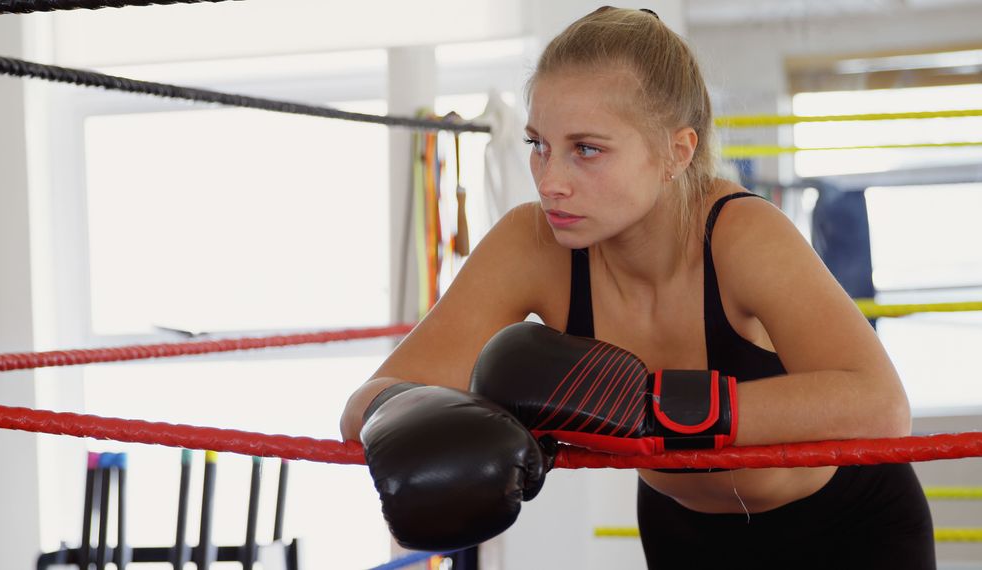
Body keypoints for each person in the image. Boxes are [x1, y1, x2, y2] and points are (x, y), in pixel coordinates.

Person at [341, 6, 935, 568]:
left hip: (847, 527)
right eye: (538, 146)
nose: (551, 182)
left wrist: (648, 408)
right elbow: (369, 400)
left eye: (587, 150)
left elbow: (881, 405)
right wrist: (422, 420)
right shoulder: (532, 243)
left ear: (676, 152)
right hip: (684, 533)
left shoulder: (739, 234)